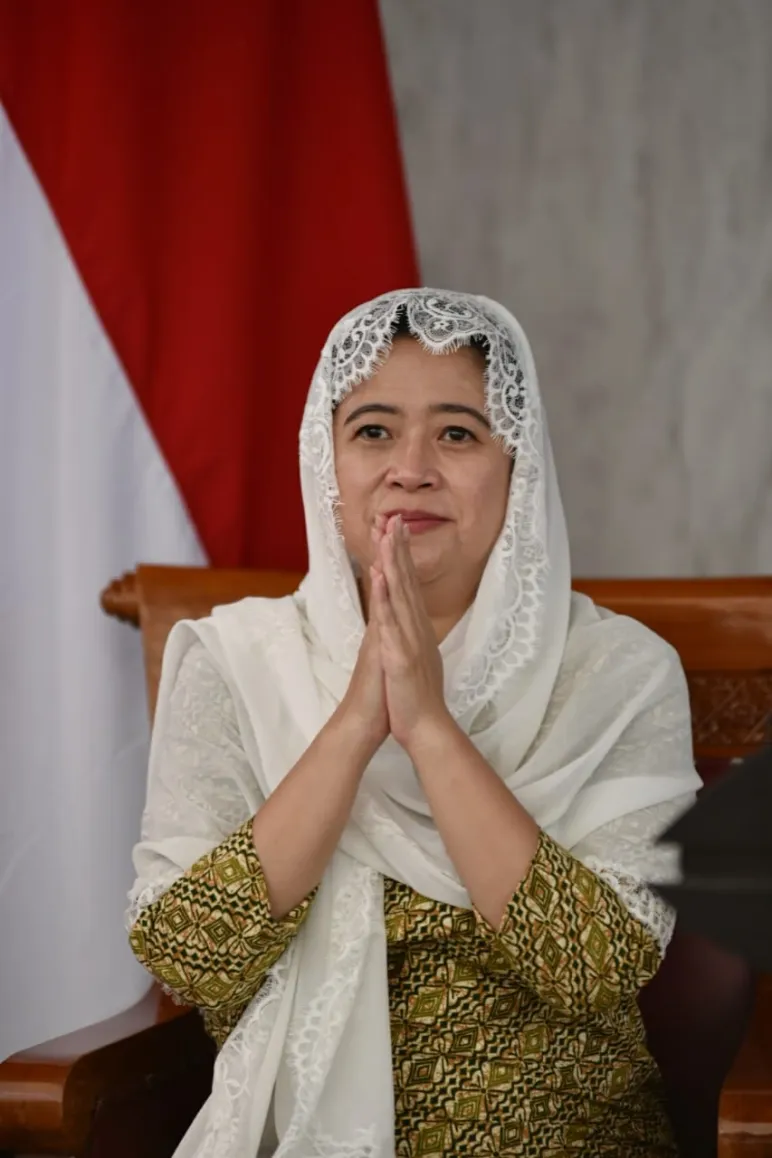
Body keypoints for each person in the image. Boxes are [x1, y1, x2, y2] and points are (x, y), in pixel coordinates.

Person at [127, 289, 702, 1158]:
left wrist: (430, 729)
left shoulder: (619, 674)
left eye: (458, 434)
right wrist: (356, 725)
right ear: (326, 463)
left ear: (519, 464)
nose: (411, 468)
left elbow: (594, 970)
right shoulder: (240, 663)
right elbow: (187, 956)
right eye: (373, 431)